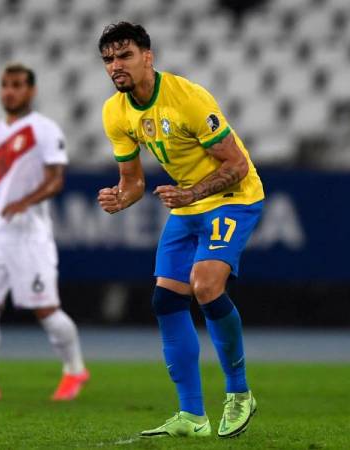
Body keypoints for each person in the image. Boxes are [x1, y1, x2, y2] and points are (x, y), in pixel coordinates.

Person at [97, 22, 264, 438]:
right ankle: (192, 416)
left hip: (234, 197)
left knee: (205, 285)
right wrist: (122, 197)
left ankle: (240, 395)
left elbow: (237, 165)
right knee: (166, 301)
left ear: (147, 57)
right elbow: (133, 181)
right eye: (108, 59)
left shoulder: (188, 98)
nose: (116, 66)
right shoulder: (114, 112)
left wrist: (192, 194)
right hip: (189, 204)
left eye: (125, 56)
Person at [0, 63, 89, 402]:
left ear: (31, 90)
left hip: (28, 234)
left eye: (18, 85)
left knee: (46, 311)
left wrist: (25, 200)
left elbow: (56, 179)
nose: (10, 91)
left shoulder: (44, 129)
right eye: (5, 85)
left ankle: (75, 369)